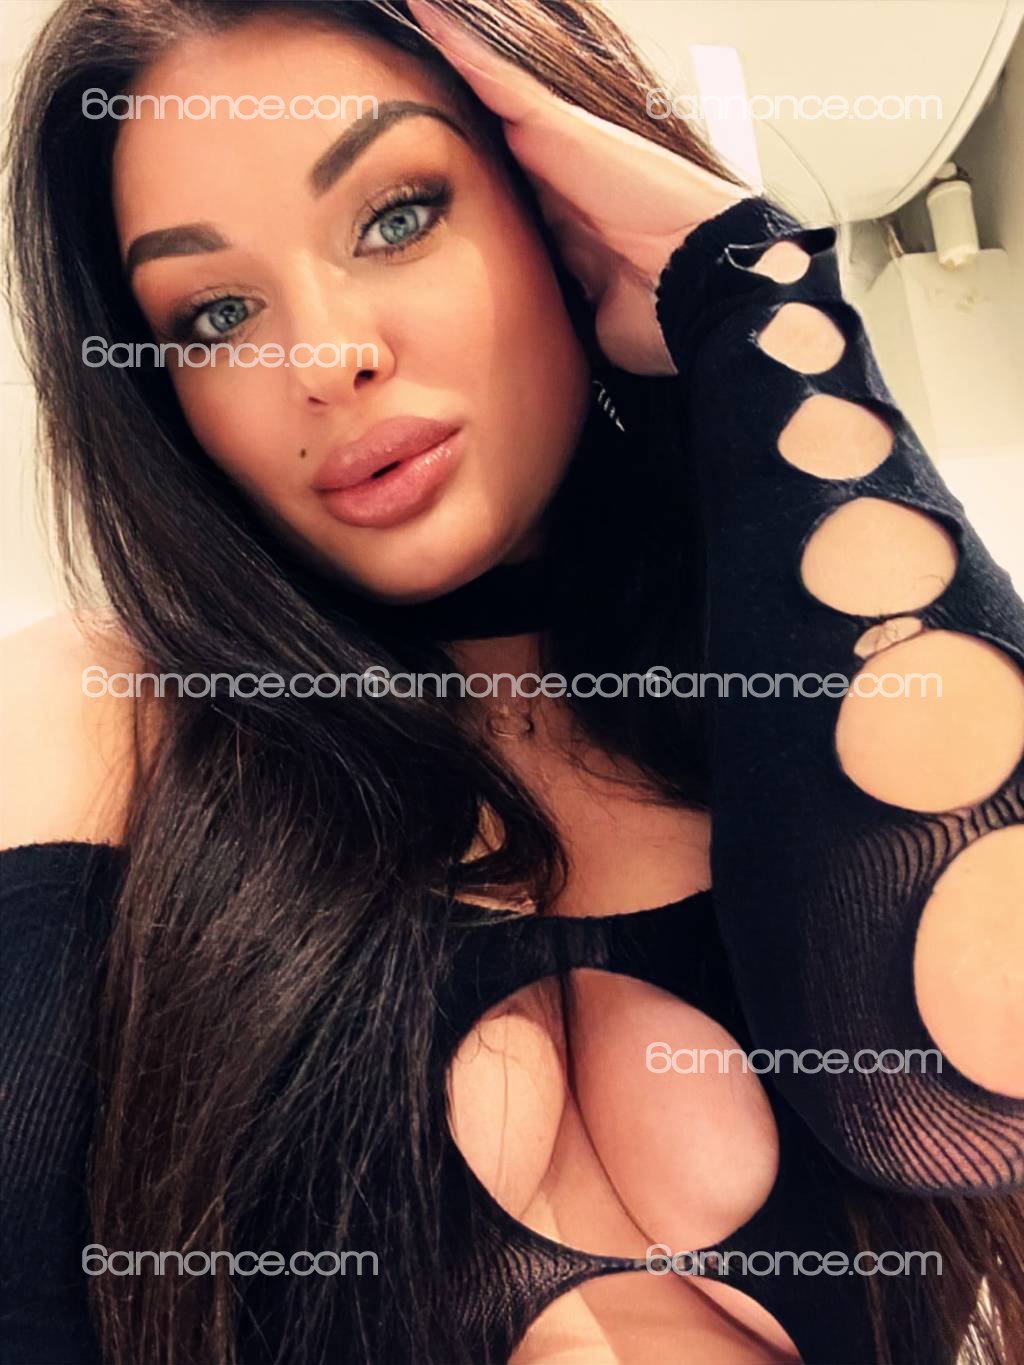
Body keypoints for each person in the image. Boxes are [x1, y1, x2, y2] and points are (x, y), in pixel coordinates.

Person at [2, 1, 1022, 1362]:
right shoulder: (110, 717)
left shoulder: (787, 692)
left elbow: (975, 1078)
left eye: (397, 216)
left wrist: (751, 292)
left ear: (561, 223)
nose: (327, 358)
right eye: (218, 314)